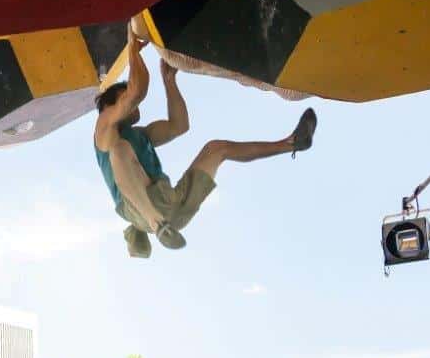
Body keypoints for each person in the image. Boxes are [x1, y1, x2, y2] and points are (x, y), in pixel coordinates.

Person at [93, 22, 317, 258]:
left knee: (217, 149)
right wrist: (132, 48)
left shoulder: (140, 135)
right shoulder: (105, 130)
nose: (135, 104)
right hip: (140, 209)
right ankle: (156, 223)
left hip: (173, 207)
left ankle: (291, 143)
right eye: (124, 95)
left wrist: (169, 81)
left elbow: (179, 126)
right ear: (111, 104)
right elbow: (135, 92)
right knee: (119, 150)